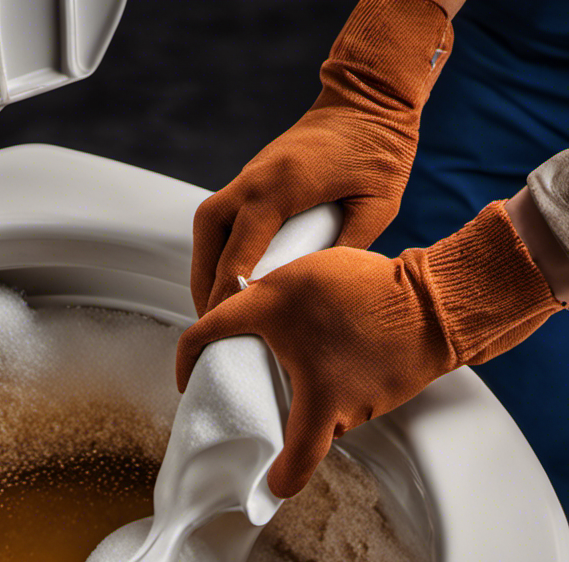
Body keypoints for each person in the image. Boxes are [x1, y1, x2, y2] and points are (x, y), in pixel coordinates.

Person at [177, 0, 569, 503]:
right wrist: (376, 81)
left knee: (518, 445)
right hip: (523, 52)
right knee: (347, 286)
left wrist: (474, 287)